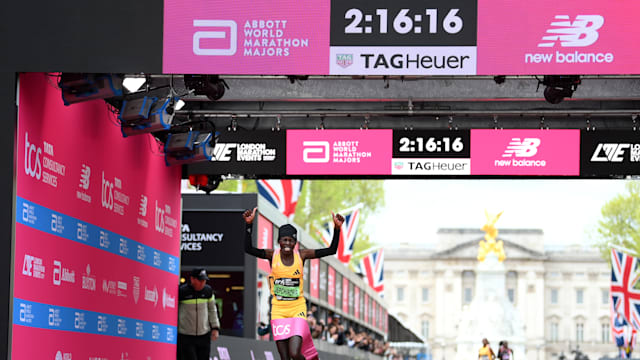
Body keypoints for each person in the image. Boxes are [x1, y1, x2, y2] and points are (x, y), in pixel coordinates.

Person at [243, 207, 344, 360]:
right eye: (285, 240)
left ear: (295, 242)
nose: (287, 244)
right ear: (279, 241)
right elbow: (248, 249)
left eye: (291, 240)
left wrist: (337, 230)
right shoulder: (272, 255)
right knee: (284, 357)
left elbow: (331, 250)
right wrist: (248, 225)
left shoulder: (302, 255)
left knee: (295, 353)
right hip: (278, 310)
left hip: (297, 309)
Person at [177, 268, 220, 360]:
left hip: (204, 335)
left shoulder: (208, 291)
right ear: (192, 279)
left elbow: (212, 310)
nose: (202, 283)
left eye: (204, 280)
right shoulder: (182, 291)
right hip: (186, 336)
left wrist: (215, 328)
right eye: (200, 280)